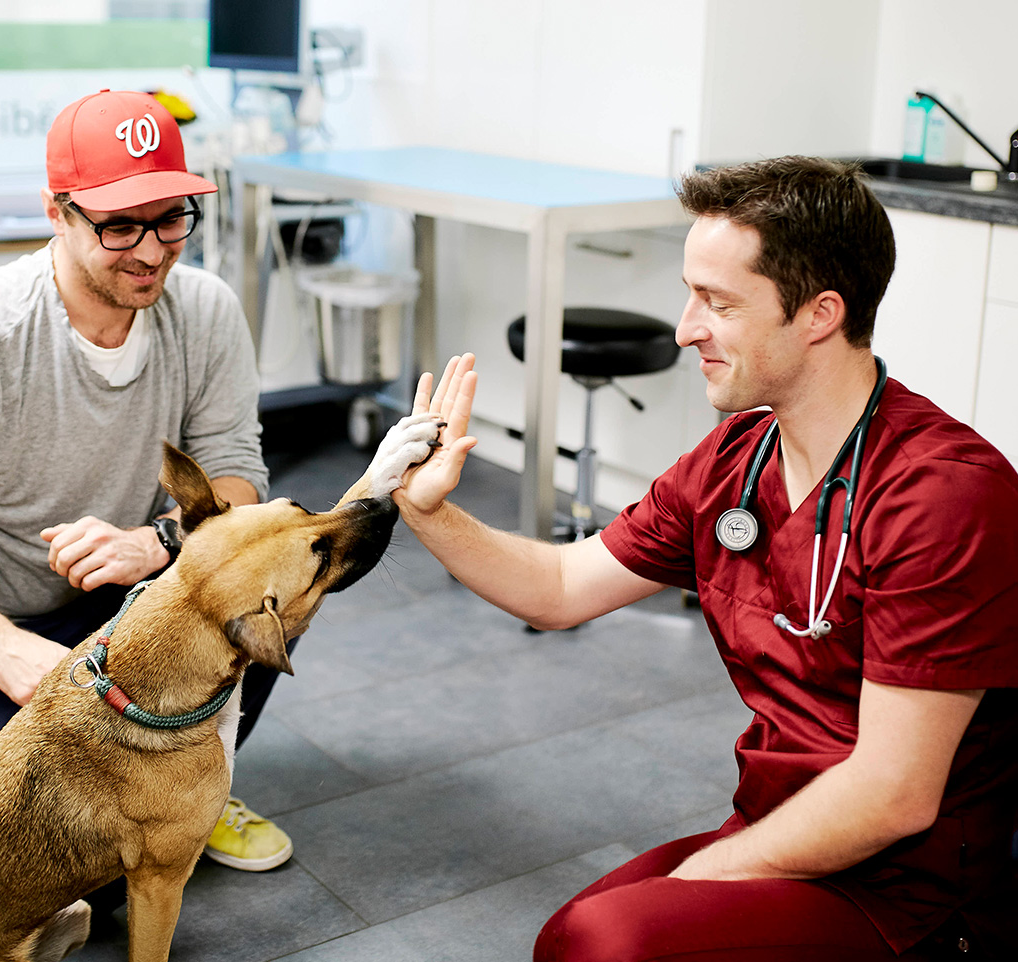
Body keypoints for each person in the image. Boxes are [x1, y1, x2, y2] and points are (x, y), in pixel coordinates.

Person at [390, 157, 1018, 960]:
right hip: (785, 829)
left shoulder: (942, 497)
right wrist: (428, 509)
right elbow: (557, 587)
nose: (686, 327)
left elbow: (893, 796)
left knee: (606, 943)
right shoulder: (738, 460)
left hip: (911, 895)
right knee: (572, 940)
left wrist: (700, 878)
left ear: (820, 314)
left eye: (717, 302)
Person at [0, 89, 290, 876]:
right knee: (73, 864)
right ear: (56, 211)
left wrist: (155, 544)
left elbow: (237, 479)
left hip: (115, 600)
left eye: (171, 215)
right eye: (119, 224)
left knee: (262, 588)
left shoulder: (206, 311)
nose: (151, 250)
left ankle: (198, 792)